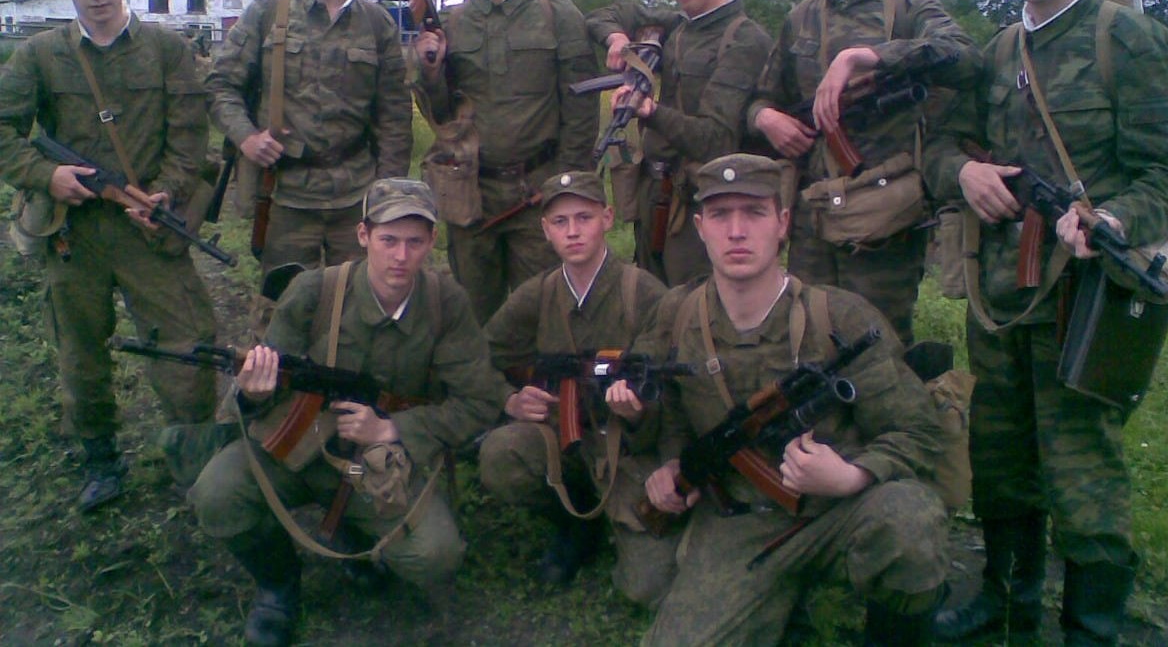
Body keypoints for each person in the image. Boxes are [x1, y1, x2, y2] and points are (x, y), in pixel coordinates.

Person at [923, 0, 1168, 645]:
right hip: (1001, 298)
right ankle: (1005, 602)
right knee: (999, 455)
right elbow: (940, 147)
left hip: (1086, 296)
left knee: (1083, 469)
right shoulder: (997, 52)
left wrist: (1113, 218)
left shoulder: (1126, 40)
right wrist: (964, 174)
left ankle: (1090, 626)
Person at [636, 153, 948, 645]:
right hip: (740, 523)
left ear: (782, 223)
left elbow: (918, 431)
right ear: (699, 227)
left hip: (839, 513)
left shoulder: (839, 317)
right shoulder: (676, 316)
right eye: (720, 215)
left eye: (754, 212)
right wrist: (672, 464)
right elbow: (668, 406)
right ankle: (785, 601)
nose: (736, 231)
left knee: (909, 522)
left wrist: (852, 476)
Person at [189, 178, 507, 647]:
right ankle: (278, 586)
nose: (400, 256)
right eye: (388, 240)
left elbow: (480, 401)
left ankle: (353, 531)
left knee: (435, 555)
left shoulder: (445, 303)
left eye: (414, 242)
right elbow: (268, 381)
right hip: (298, 447)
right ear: (363, 235)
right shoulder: (315, 292)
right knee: (216, 494)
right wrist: (254, 393)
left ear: (432, 242)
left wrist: (394, 427)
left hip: (379, 465)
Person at [0, 0, 217, 510]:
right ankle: (100, 461)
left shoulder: (166, 50)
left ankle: (193, 461)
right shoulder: (39, 55)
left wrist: (166, 192)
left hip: (148, 229)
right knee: (81, 353)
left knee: (186, 347)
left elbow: (189, 135)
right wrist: (46, 175)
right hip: (74, 233)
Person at [747, 0, 977, 345]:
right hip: (814, 214)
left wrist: (868, 56)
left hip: (883, 218)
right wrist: (766, 119)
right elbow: (762, 98)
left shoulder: (907, 8)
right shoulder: (800, 18)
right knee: (808, 336)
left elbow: (966, 57)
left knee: (879, 342)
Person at [476, 170, 677, 603]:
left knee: (649, 585)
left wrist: (637, 410)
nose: (573, 231)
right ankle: (573, 519)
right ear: (545, 230)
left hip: (626, 450)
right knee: (501, 455)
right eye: (560, 221)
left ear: (607, 218)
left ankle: (614, 515)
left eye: (584, 218)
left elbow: (670, 389)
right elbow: (479, 355)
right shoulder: (539, 293)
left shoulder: (642, 292)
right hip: (561, 439)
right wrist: (509, 399)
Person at [413, 0, 598, 325]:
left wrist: (563, 184)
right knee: (475, 316)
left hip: (538, 192)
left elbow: (581, 109)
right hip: (471, 195)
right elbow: (442, 116)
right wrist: (430, 71)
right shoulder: (451, 24)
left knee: (546, 313)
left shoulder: (558, 16)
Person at [206, 0, 412, 273]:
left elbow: (394, 116)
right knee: (285, 300)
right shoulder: (268, 12)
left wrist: (388, 194)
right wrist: (247, 138)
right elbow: (220, 86)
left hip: (356, 195)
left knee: (355, 298)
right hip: (284, 194)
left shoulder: (376, 23)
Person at [586, 0, 772, 285]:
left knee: (694, 304)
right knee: (652, 300)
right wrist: (617, 38)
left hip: (702, 201)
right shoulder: (678, 25)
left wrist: (650, 111)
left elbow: (715, 139)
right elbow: (600, 16)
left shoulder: (744, 39)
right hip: (655, 192)